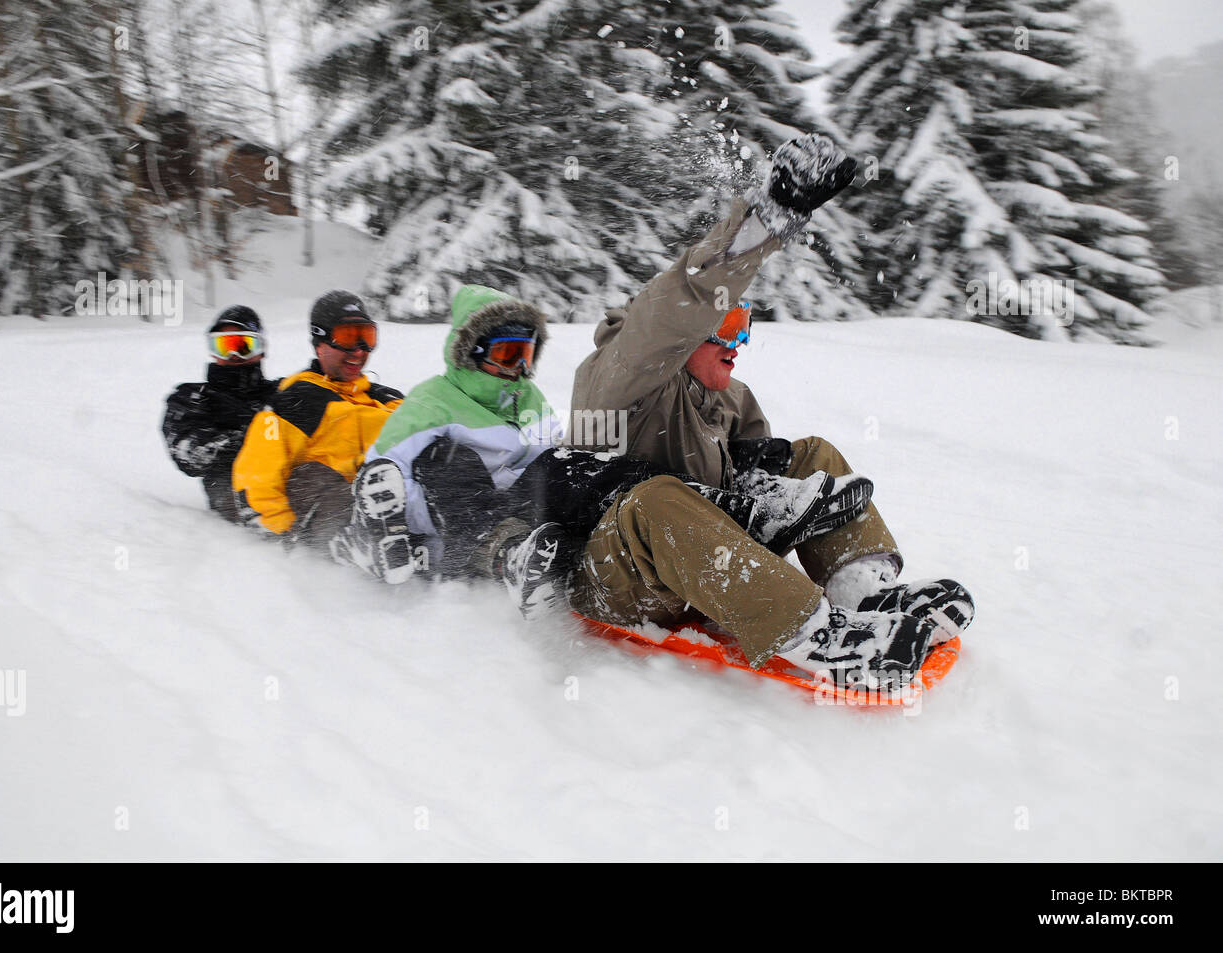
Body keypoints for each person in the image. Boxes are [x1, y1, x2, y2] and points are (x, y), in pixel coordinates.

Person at [565, 132, 975, 689]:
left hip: (700, 574)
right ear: (682, 338)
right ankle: (818, 636)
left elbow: (765, 486)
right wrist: (766, 220)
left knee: (813, 455)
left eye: (745, 328)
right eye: (725, 329)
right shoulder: (619, 376)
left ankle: (862, 592)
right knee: (657, 497)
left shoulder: (731, 399)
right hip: (618, 577)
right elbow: (673, 306)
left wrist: (765, 483)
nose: (737, 345)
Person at [344, 284, 872, 617]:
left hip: (529, 510)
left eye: (525, 353)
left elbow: (551, 458)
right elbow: (383, 474)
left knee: (604, 469)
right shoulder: (432, 400)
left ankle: (734, 513)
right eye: (505, 353)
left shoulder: (525, 397)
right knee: (453, 461)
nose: (519, 367)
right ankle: (508, 555)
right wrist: (403, 532)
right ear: (469, 353)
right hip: (461, 521)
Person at [231, 290, 403, 551]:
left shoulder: (389, 399)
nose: (359, 351)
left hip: (401, 501)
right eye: (347, 337)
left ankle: (473, 549)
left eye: (366, 337)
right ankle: (360, 546)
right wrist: (284, 531)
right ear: (319, 342)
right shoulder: (295, 402)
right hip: (336, 514)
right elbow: (256, 476)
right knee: (313, 476)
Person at [162, 306, 278, 522]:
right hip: (240, 502)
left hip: (296, 486)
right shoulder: (193, 399)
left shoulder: (282, 393)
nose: (234, 355)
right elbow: (190, 456)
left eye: (244, 346)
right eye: (224, 346)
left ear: (261, 349)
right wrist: (256, 436)